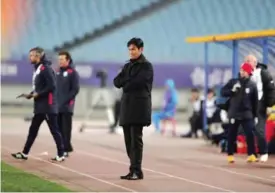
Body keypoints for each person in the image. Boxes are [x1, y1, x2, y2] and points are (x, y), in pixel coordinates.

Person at [12, 47, 65, 162]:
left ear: (39, 56)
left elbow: (52, 86)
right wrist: (31, 94)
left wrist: (38, 94)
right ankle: (25, 153)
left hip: (47, 106)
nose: (30, 57)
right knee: (33, 130)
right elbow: (39, 87)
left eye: (32, 55)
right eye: (30, 55)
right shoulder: (38, 68)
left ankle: (61, 154)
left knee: (54, 130)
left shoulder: (45, 69)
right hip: (41, 106)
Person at [113, 37, 153, 180]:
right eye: (129, 49)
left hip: (139, 108)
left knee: (136, 140)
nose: (131, 52)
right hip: (127, 107)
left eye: (133, 49)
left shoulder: (147, 66)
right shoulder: (127, 66)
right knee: (128, 141)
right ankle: (134, 170)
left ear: (141, 49)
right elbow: (116, 82)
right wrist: (126, 81)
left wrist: (126, 81)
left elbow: (137, 83)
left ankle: (136, 170)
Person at [221, 62, 258, 163]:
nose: (242, 72)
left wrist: (255, 115)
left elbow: (255, 102)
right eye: (241, 70)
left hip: (247, 114)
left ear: (249, 73)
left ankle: (251, 154)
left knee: (250, 134)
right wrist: (232, 91)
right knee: (231, 134)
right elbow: (223, 92)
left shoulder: (252, 85)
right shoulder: (233, 82)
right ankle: (230, 154)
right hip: (234, 113)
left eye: (245, 71)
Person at [245, 54, 275, 162]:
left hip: (260, 105)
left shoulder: (263, 73)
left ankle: (264, 152)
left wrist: (269, 105)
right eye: (246, 61)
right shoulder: (245, 74)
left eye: (249, 61)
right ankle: (252, 153)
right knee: (248, 129)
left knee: (259, 129)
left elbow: (271, 89)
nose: (247, 63)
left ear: (255, 62)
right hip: (248, 106)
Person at [56, 51, 80, 157]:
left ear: (68, 60)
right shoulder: (57, 72)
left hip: (67, 106)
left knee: (66, 129)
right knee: (58, 129)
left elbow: (75, 89)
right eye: (59, 59)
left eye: (62, 59)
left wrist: (65, 100)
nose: (60, 61)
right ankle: (63, 148)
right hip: (56, 106)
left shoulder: (73, 73)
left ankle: (65, 149)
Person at [109, 67, 123, 133]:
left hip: (123, 100)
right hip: (117, 100)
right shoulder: (117, 80)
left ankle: (121, 126)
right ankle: (115, 125)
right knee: (116, 113)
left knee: (122, 114)